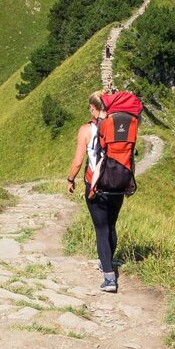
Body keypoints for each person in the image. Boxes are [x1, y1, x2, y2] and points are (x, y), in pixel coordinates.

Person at [66, 91, 124, 292]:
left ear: (93, 108)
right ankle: (107, 261)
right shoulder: (119, 126)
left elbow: (77, 162)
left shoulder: (86, 130)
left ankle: (109, 277)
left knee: (101, 229)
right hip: (118, 184)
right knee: (111, 225)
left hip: (96, 184)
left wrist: (70, 179)